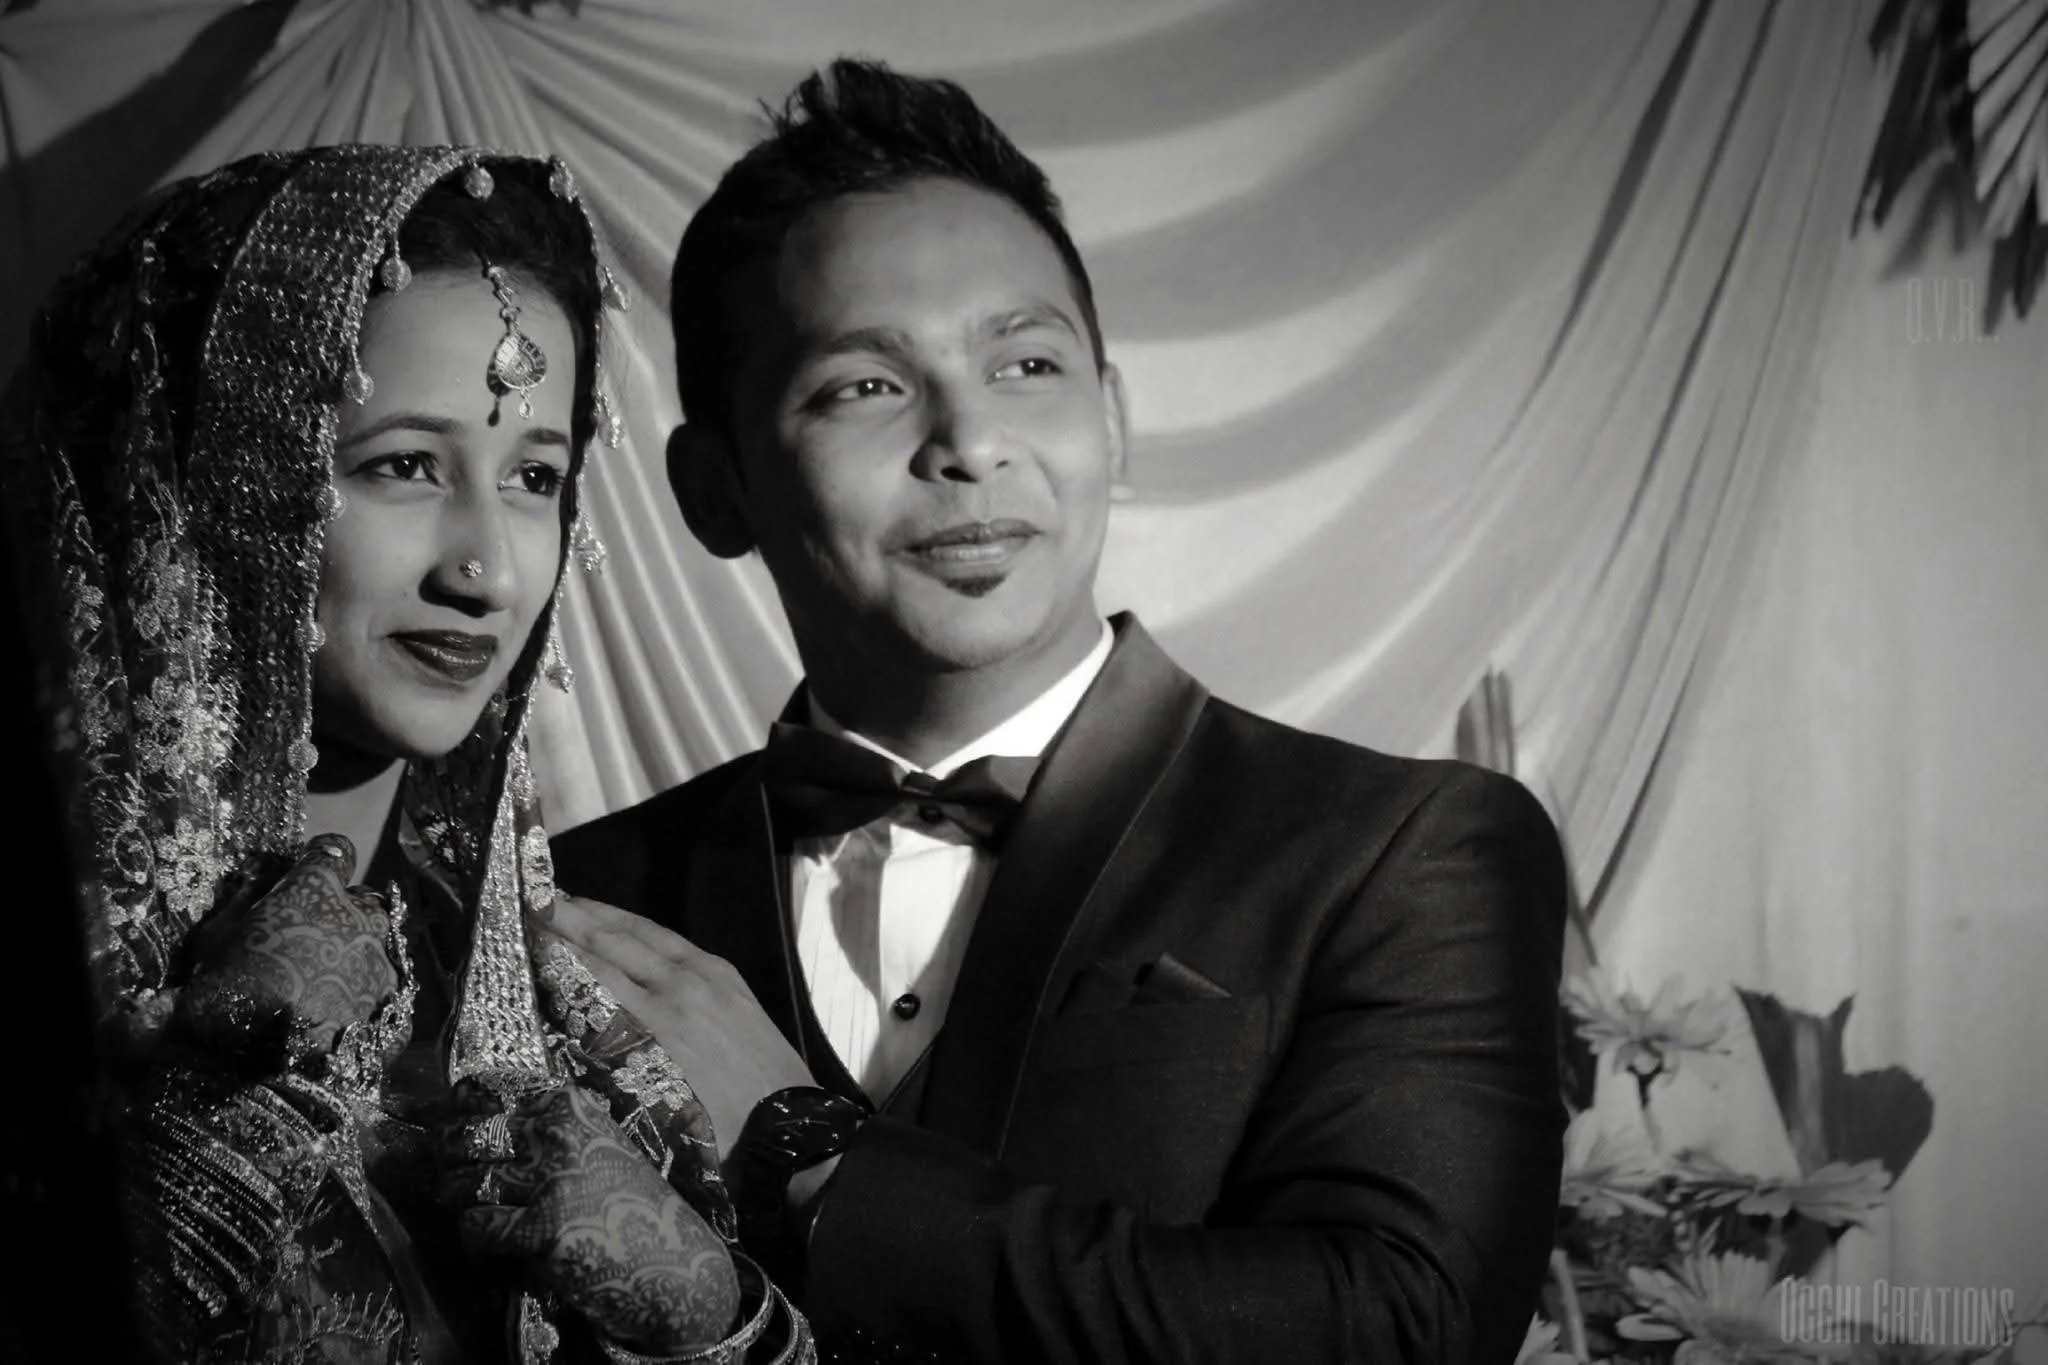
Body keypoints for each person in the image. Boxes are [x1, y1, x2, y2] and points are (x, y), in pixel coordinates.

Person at [548, 59, 1568, 1365]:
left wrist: (808, 1156)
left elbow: (1394, 1330)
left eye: (1026, 362)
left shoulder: (1403, 851)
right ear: (714, 486)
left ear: (1114, 419)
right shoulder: (586, 898)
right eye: (864, 385)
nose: (969, 438)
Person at [0, 145, 808, 1364]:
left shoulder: (579, 1002)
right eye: (403, 466)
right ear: (213, 481)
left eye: (535, 477)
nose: (484, 569)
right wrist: (208, 1126)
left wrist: (718, 1328)